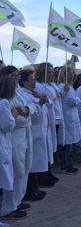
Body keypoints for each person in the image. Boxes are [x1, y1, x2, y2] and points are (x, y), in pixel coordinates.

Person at [0, 66, 33, 219]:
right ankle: (10, 205)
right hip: (14, 137)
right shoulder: (5, 99)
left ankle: (17, 200)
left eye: (18, 75)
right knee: (16, 170)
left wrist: (24, 111)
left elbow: (29, 106)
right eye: (13, 75)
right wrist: (21, 114)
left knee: (24, 167)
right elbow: (10, 120)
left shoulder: (17, 90)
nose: (17, 78)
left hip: (24, 133)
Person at [19, 69, 48, 201]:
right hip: (31, 132)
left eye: (35, 79)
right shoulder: (24, 96)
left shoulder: (33, 93)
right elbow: (32, 115)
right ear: (24, 82)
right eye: (32, 80)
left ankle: (34, 187)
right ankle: (30, 190)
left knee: (35, 163)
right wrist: (40, 104)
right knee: (30, 164)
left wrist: (39, 100)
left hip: (38, 132)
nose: (34, 81)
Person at [0, 76, 24, 220]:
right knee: (7, 176)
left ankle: (9, 206)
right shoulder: (3, 103)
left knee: (6, 176)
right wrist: (13, 115)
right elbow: (7, 124)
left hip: (4, 142)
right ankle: (8, 208)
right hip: (2, 143)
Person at [57, 66, 81, 173]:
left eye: (73, 73)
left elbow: (75, 100)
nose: (72, 75)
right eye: (69, 73)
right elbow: (72, 101)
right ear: (64, 75)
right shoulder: (62, 86)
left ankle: (67, 163)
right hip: (66, 118)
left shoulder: (70, 87)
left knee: (69, 143)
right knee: (66, 143)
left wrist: (76, 100)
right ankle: (64, 165)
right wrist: (77, 100)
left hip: (72, 117)